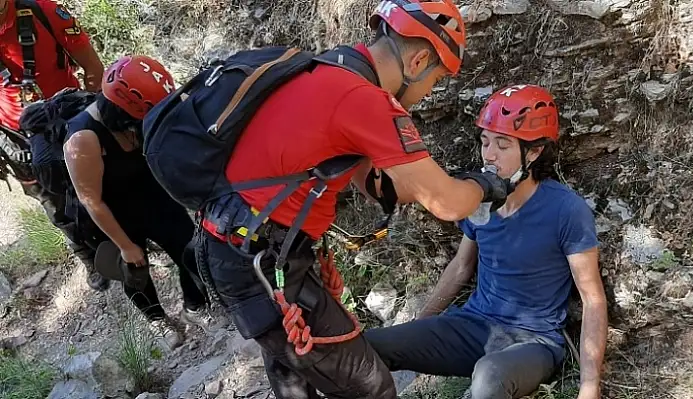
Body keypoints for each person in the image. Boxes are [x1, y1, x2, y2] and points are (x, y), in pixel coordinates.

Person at [194, 1, 515, 398]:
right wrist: (482, 185)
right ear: (417, 61)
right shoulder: (366, 100)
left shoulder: (331, 68)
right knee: (372, 387)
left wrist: (428, 183)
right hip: (261, 263)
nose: (426, 95)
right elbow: (447, 204)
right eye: (433, 82)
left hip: (239, 247)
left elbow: (372, 185)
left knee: (295, 375)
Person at [364, 84, 608, 399]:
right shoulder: (477, 197)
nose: (489, 155)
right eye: (485, 142)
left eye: (503, 145)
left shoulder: (566, 210)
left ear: (533, 152)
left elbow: (593, 299)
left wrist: (590, 386)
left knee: (489, 376)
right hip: (474, 325)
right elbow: (461, 267)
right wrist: (420, 324)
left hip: (532, 342)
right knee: (369, 345)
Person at [62, 55, 223, 349]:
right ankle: (155, 319)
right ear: (123, 111)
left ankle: (195, 306)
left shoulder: (141, 115)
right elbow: (91, 199)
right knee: (134, 271)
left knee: (191, 248)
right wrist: (125, 245)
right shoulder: (83, 138)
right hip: (111, 210)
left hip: (152, 194)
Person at [1, 0, 106, 290]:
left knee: (102, 176)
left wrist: (96, 113)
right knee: (52, 200)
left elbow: (91, 65)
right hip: (16, 132)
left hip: (67, 112)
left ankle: (130, 231)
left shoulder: (43, 12)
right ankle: (87, 253)